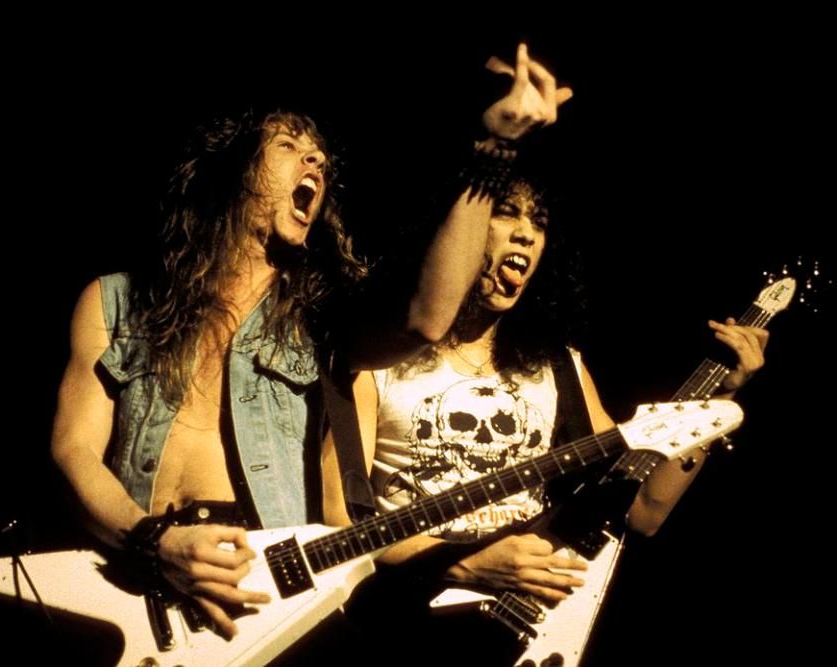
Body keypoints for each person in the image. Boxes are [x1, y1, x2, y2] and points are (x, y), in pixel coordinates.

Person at [49, 42, 573, 646]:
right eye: (289, 146)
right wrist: (155, 541)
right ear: (232, 169)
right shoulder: (115, 300)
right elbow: (73, 450)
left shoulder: (321, 321)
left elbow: (427, 319)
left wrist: (494, 153)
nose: (316, 161)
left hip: (265, 603)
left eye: (321, 157)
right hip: (134, 582)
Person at [323, 160, 768, 660]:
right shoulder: (377, 360)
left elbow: (645, 510)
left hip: (517, 629)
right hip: (406, 623)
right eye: (506, 213)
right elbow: (339, 525)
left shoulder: (558, 366)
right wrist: (463, 562)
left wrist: (719, 400)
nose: (526, 235)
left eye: (538, 222)